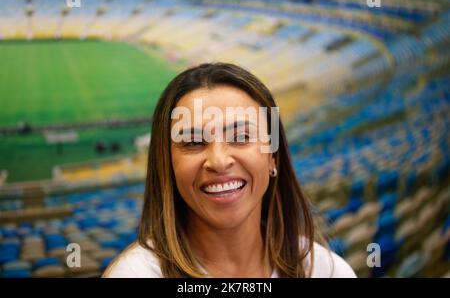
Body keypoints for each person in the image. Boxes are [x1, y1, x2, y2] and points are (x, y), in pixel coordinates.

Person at [103, 63, 356, 278]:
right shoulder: (135, 273)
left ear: (273, 156)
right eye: (193, 142)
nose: (219, 161)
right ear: (166, 164)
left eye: (241, 136)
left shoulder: (326, 270)